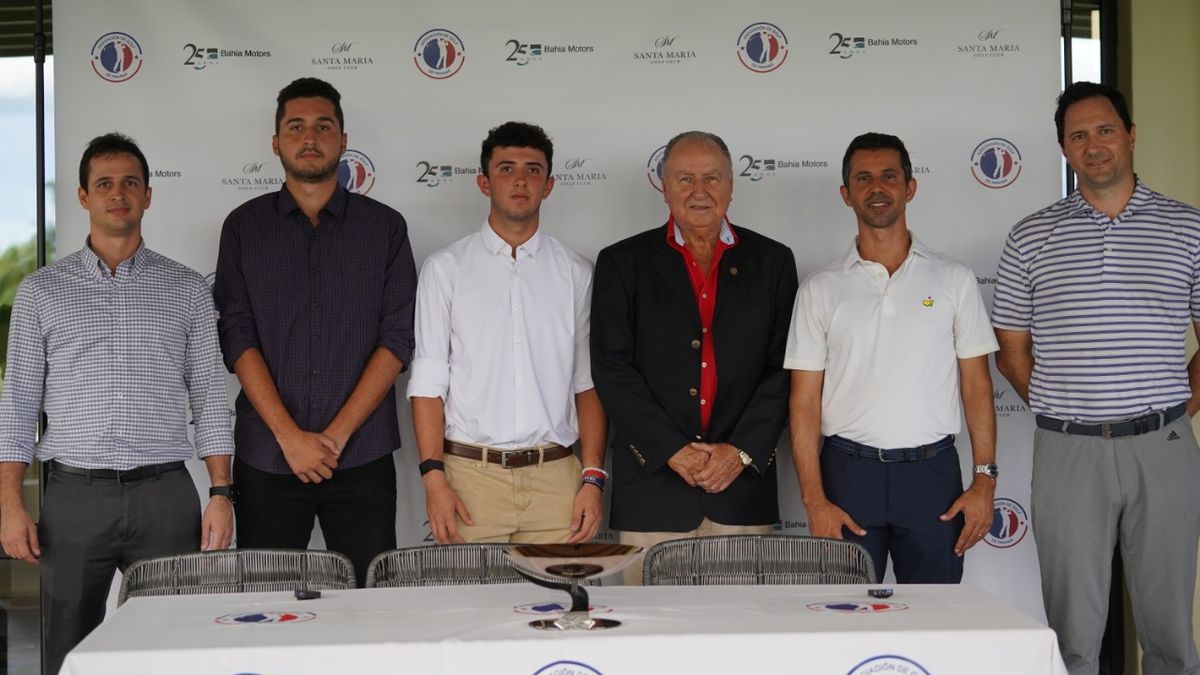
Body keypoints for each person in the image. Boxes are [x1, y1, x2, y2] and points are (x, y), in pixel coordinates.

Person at [0, 132, 234, 675]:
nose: (118, 194)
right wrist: (10, 504)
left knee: (173, 644)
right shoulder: (41, 293)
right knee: (68, 646)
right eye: (104, 184)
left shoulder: (187, 290)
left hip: (166, 496)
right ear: (83, 196)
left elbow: (208, 394)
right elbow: (16, 409)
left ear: (148, 195)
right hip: (75, 498)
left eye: (130, 183)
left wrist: (220, 493)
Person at [993, 81, 1200, 675]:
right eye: (1078, 136)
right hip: (1068, 451)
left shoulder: (1187, 229)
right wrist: (1062, 408)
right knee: (1073, 634)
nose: (1094, 145)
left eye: (1105, 130)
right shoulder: (1031, 235)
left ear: (1130, 136)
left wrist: (1178, 409)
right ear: (1064, 150)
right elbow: (1011, 348)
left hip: (1163, 446)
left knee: (1168, 632)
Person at [213, 77, 417, 586]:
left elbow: (397, 339)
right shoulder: (243, 227)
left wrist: (334, 437)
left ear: (344, 141)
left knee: (372, 603)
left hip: (361, 452)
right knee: (265, 607)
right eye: (296, 126)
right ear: (276, 141)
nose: (310, 137)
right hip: (268, 454)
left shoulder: (385, 228)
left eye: (323, 126)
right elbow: (237, 336)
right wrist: (289, 437)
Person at [785, 132, 998, 584]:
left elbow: (977, 385)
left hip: (932, 476)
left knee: (934, 620)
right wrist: (814, 500)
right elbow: (803, 401)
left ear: (910, 187)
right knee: (842, 620)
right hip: (847, 474)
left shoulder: (954, 279)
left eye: (889, 176)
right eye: (863, 178)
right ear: (846, 194)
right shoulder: (820, 289)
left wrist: (984, 481)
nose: (876, 188)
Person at [590, 131, 798, 584]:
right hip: (652, 491)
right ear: (663, 185)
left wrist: (738, 452)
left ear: (730, 185)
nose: (699, 191)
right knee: (653, 638)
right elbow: (611, 369)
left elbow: (783, 369)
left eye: (711, 178)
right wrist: (673, 451)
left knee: (742, 637)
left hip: (740, 490)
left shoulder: (774, 262)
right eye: (685, 179)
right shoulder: (621, 262)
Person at [407, 122, 605, 545]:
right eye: (507, 168)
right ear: (484, 182)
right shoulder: (446, 269)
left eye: (533, 170)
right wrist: (434, 479)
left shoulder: (576, 273)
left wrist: (592, 478)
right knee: (474, 611)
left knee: (559, 610)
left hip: (556, 482)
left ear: (548, 185)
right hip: (469, 482)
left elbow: (586, 384)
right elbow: (427, 383)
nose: (520, 180)